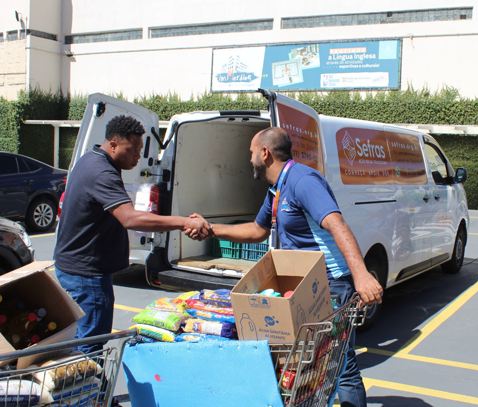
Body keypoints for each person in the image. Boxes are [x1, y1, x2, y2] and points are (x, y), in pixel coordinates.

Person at [192, 127, 383, 407]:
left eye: (251, 153)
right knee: (305, 366)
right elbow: (257, 230)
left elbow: (336, 224)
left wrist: (362, 275)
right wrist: (210, 229)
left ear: (265, 153)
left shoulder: (303, 181)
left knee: (339, 366)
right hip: (303, 286)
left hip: (329, 285)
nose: (250, 159)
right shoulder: (277, 189)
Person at [54, 115, 209, 353]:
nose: (138, 156)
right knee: (90, 343)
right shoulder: (102, 172)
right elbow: (130, 218)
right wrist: (183, 222)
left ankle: (84, 386)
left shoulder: (90, 160)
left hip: (77, 269)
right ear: (113, 144)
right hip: (87, 275)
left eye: (140, 148)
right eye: (133, 149)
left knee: (85, 338)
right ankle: (87, 389)